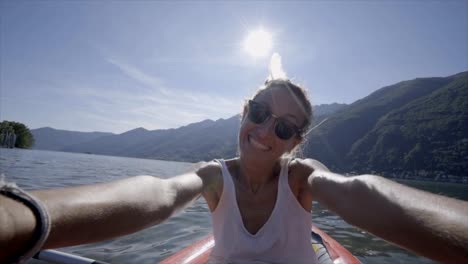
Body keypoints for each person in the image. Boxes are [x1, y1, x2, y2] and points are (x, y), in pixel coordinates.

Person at [1, 79, 468, 263]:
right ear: (245, 110)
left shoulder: (302, 176)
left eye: (284, 127)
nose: (266, 130)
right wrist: (21, 217)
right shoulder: (211, 175)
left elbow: (354, 192)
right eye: (261, 111)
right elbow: (160, 194)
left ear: (296, 141)